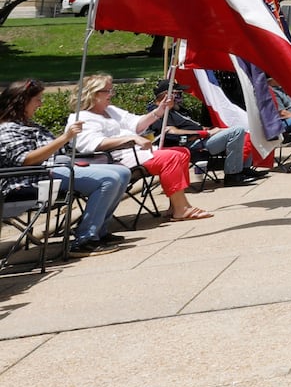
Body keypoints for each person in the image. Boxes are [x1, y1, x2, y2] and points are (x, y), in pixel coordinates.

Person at [0, 79, 132, 253]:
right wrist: (64, 137)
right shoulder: (7, 129)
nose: (40, 104)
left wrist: (69, 141)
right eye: (37, 100)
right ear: (22, 102)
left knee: (122, 172)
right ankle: (84, 239)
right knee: (107, 180)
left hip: (55, 169)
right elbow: (26, 160)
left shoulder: (29, 124)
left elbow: (56, 148)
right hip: (33, 178)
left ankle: (99, 230)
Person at [71, 74, 213, 223]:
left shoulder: (111, 110)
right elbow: (92, 144)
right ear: (93, 94)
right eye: (107, 91)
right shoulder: (82, 117)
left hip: (134, 153)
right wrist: (130, 138)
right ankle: (182, 209)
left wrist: (160, 109)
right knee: (171, 157)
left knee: (181, 152)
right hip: (114, 159)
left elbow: (137, 124)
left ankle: (175, 205)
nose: (111, 94)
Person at [152, 80, 266, 187]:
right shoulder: (158, 112)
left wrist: (211, 130)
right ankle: (232, 176)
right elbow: (171, 132)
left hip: (202, 138)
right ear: (166, 95)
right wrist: (205, 133)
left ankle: (243, 169)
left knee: (246, 128)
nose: (180, 96)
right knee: (237, 131)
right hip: (192, 145)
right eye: (177, 93)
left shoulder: (177, 110)